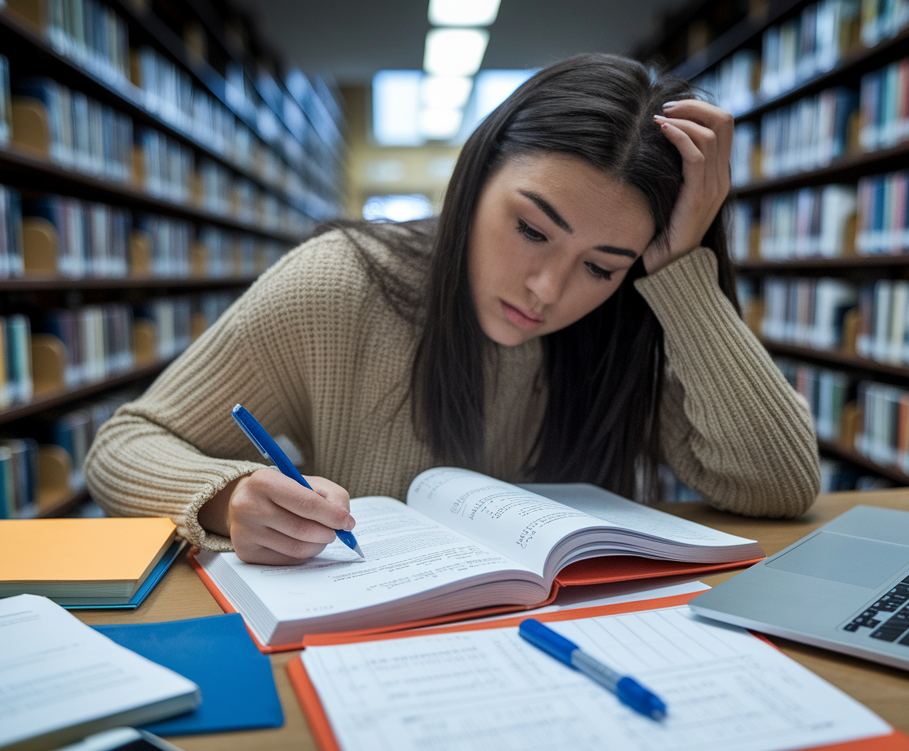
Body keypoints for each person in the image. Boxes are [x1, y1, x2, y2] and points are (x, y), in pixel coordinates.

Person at [85, 53, 820, 566]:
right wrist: (225, 498)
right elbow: (125, 444)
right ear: (476, 176)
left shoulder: (634, 312)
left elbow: (780, 488)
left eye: (601, 266)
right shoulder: (340, 285)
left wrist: (685, 273)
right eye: (531, 229)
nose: (547, 291)